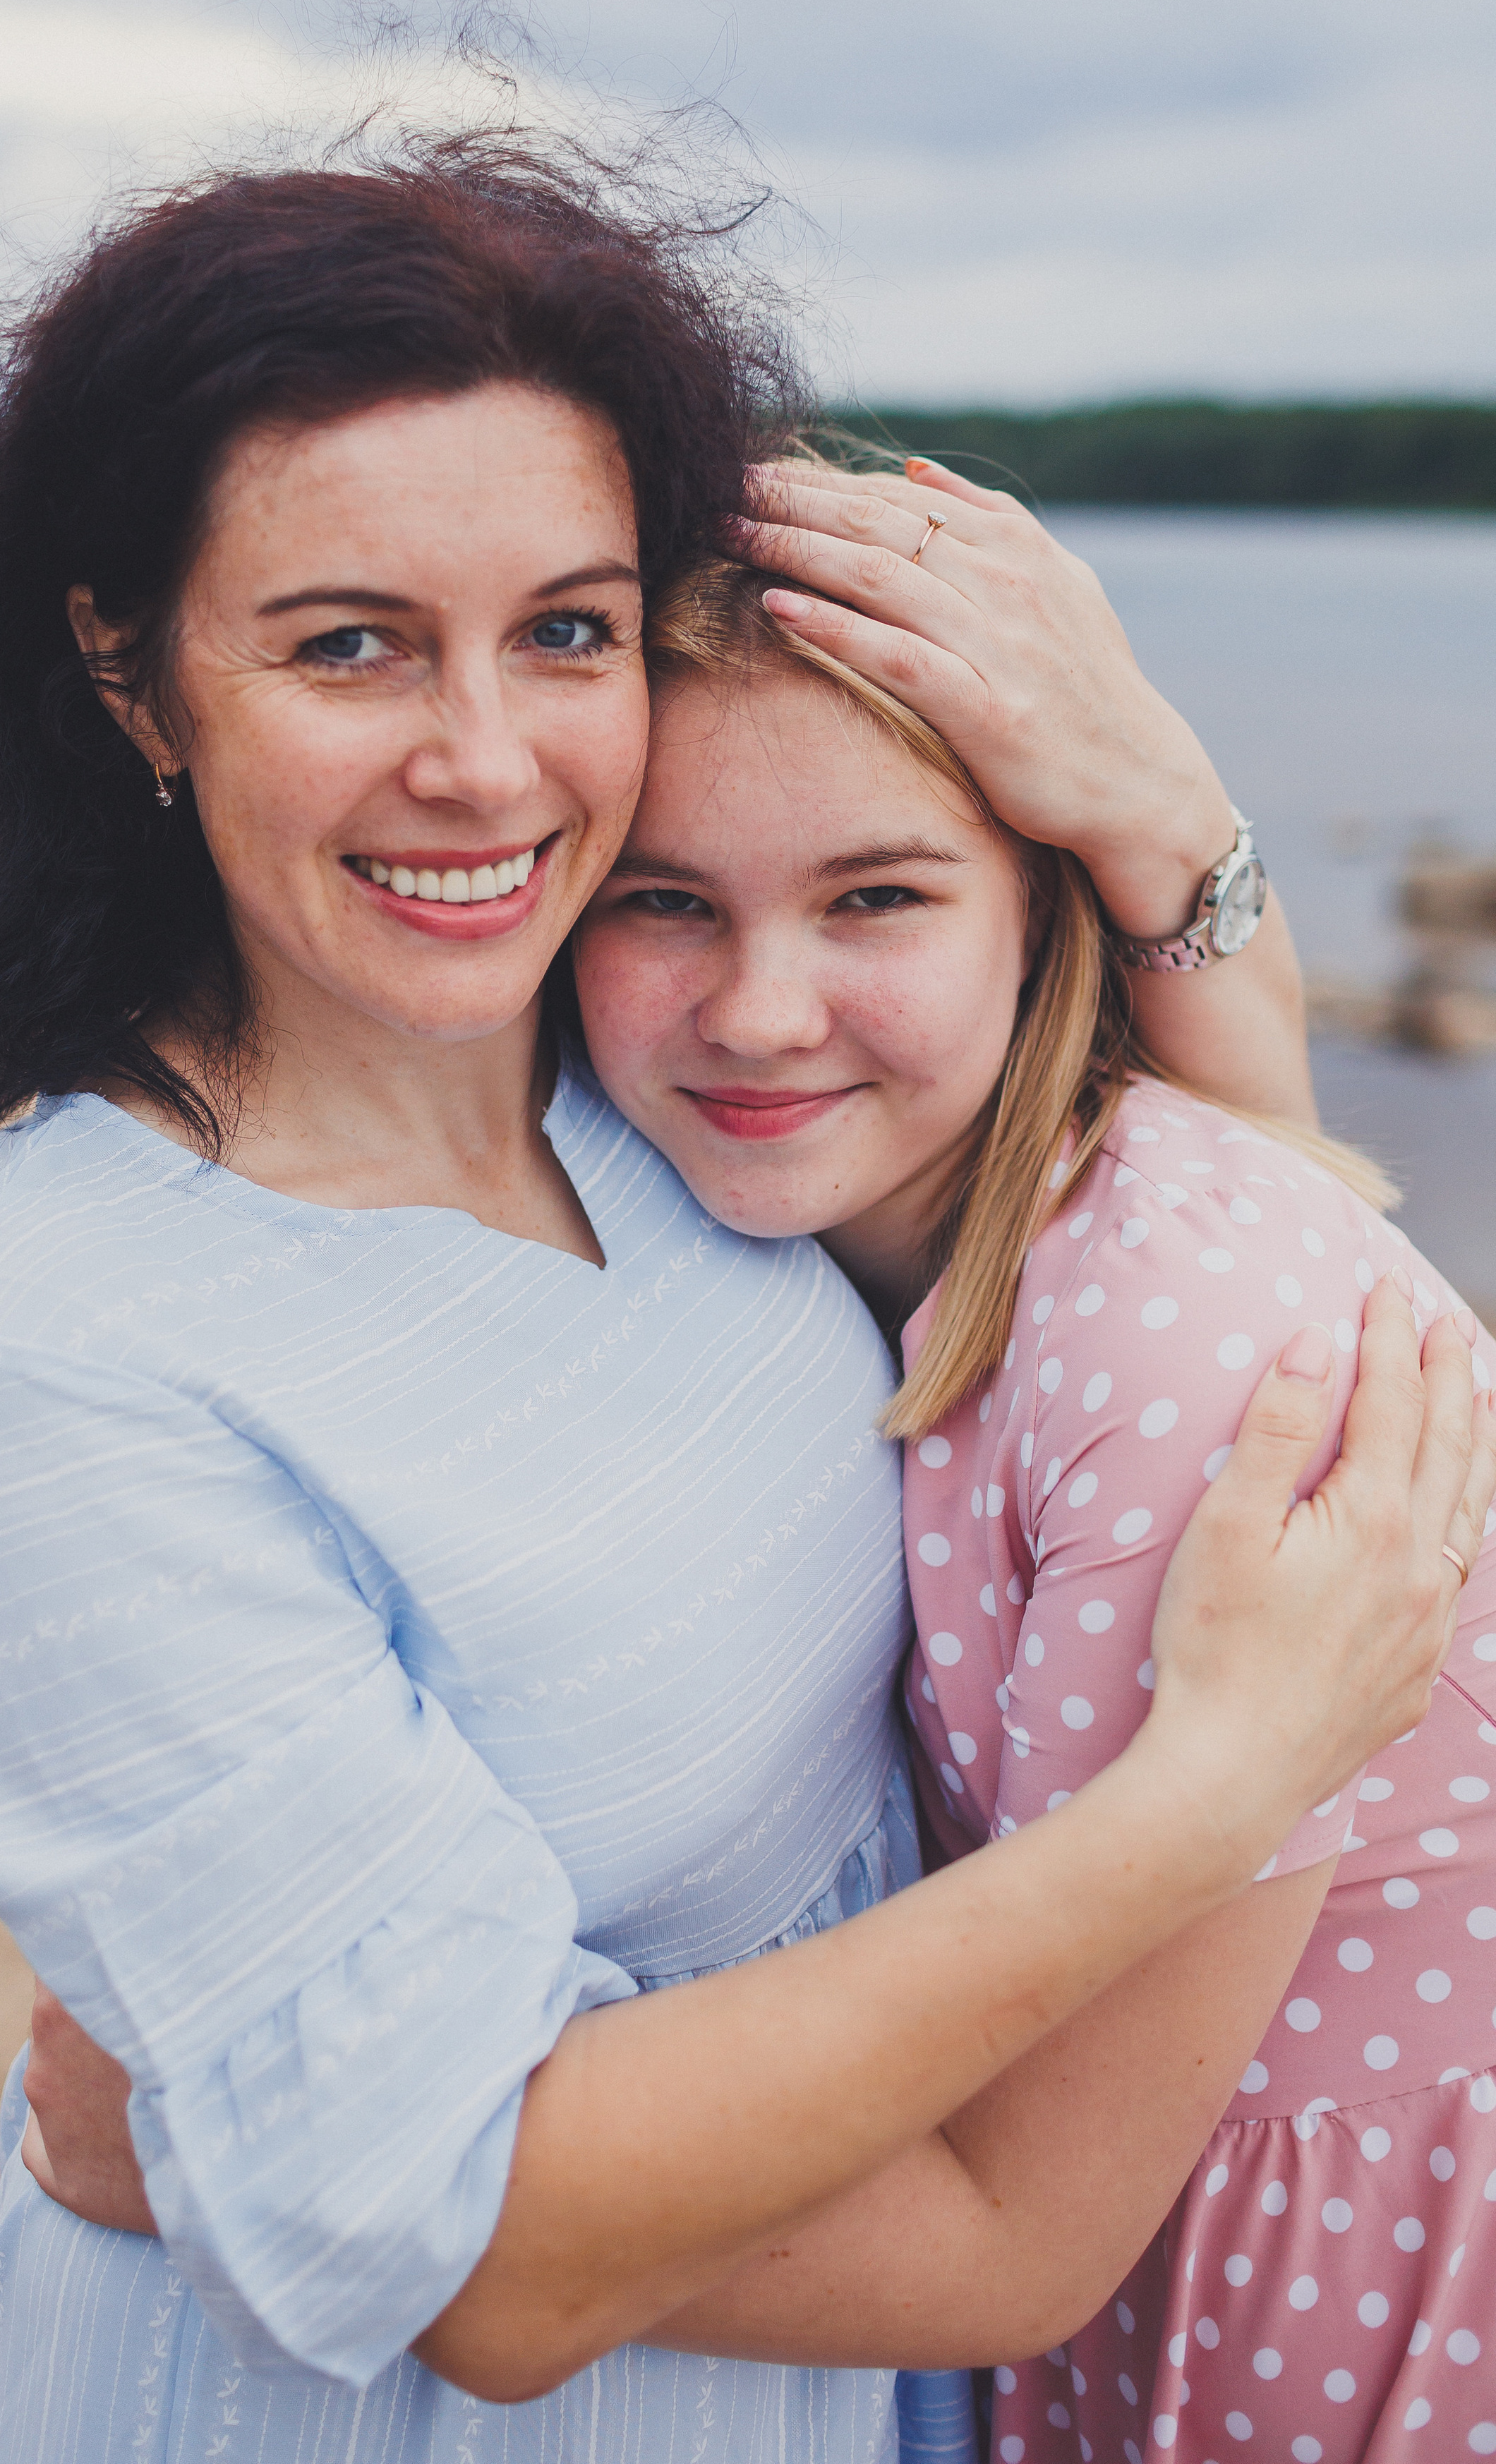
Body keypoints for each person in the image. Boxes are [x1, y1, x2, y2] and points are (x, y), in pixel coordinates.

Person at [0, 148, 1483, 2464]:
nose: (489, 762)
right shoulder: (67, 1369)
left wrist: (1157, 809)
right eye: (347, 641)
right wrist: (1207, 1790)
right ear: (130, 674)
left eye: (569, 629)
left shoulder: (635, 1064)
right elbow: (490, 2257)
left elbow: (1173, 1233)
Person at [567, 509, 1496, 2459]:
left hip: (1338, 2281)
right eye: (660, 902)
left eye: (880, 899)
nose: (757, 1008)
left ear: (1038, 913)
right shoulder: (902, 1231)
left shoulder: (1182, 1353)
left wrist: (288, 2192)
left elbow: (1014, 2245)